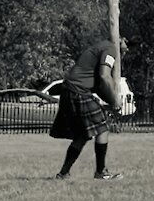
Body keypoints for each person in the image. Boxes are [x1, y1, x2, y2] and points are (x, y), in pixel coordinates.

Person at [49, 37, 127, 180]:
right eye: (128, 45)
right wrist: (116, 100)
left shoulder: (100, 46)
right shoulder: (110, 49)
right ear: (121, 39)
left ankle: (63, 173)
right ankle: (101, 172)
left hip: (70, 90)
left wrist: (112, 101)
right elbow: (104, 76)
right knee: (102, 128)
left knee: (82, 135)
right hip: (78, 90)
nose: (127, 50)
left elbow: (98, 86)